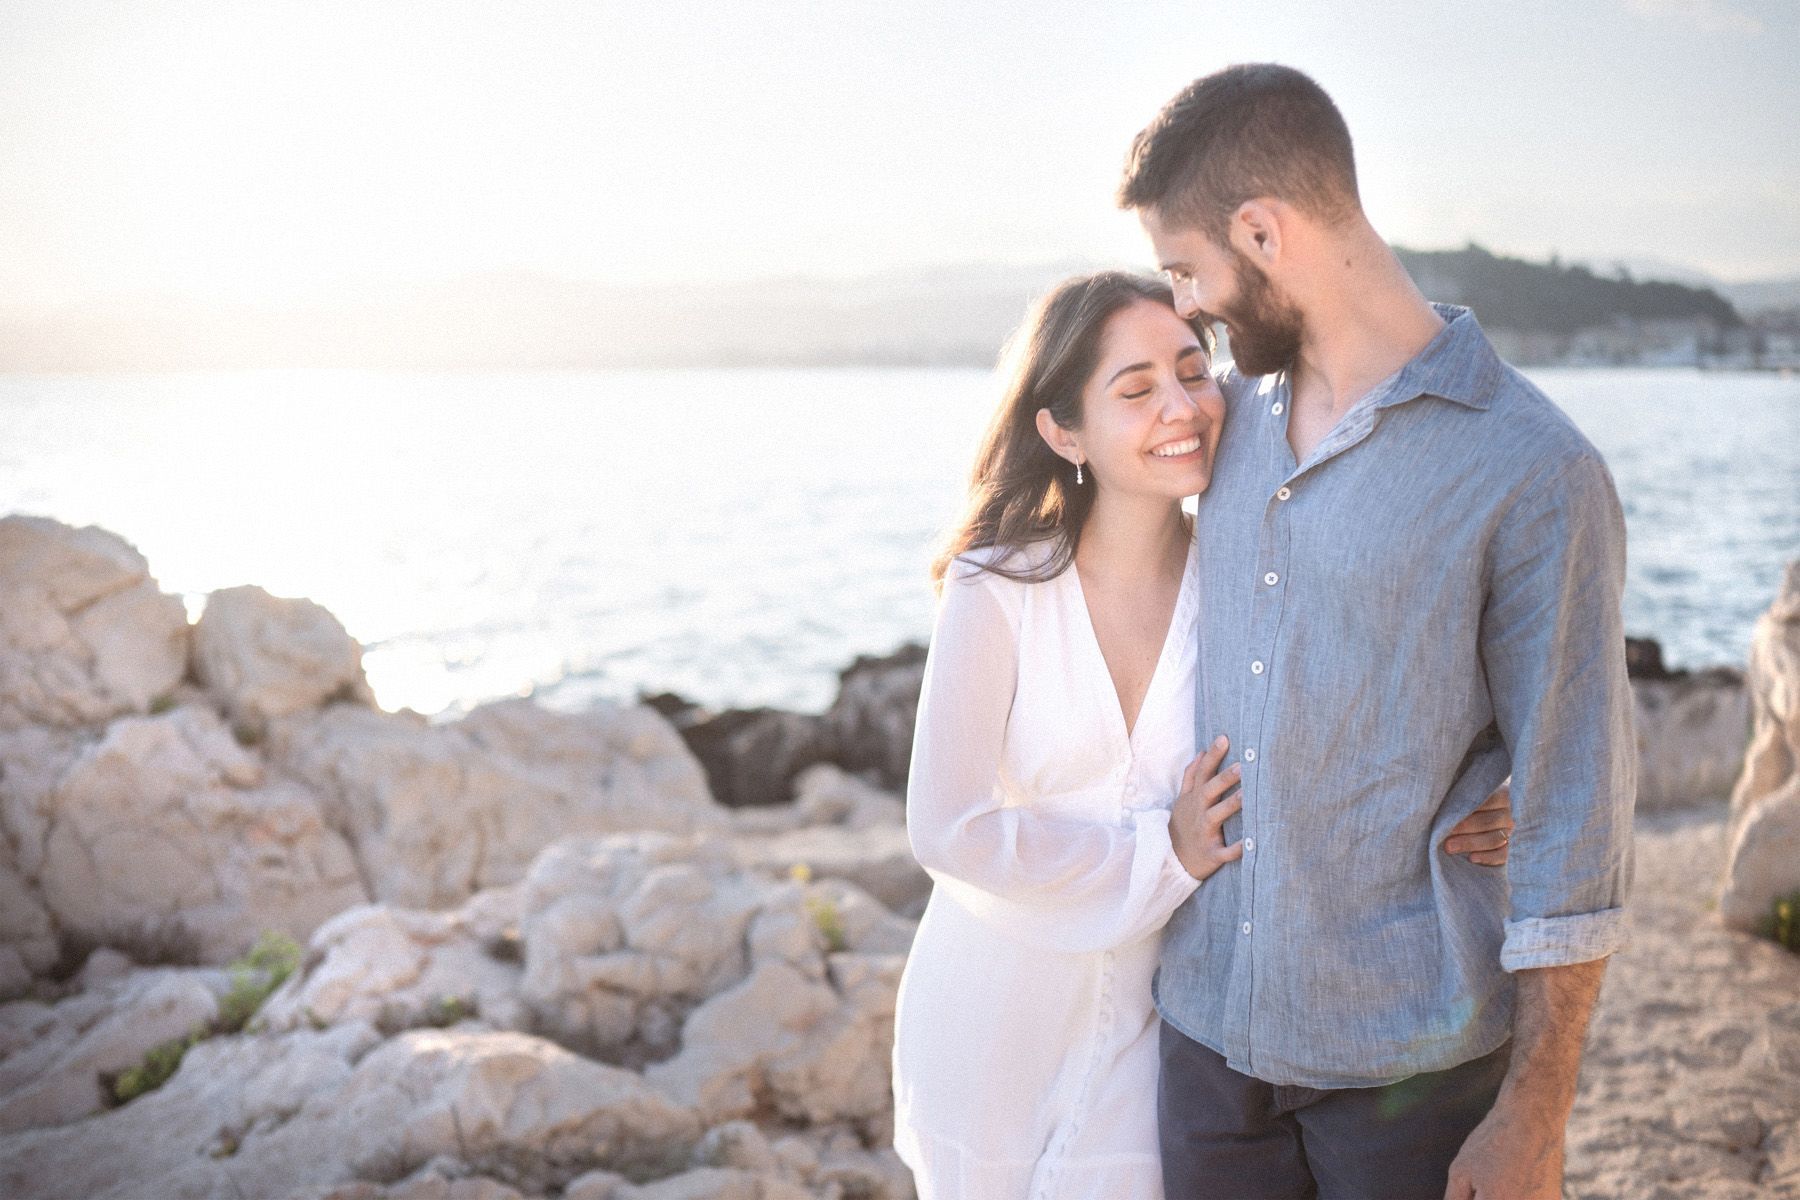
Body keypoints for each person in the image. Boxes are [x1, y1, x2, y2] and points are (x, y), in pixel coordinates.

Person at [1117, 64, 1636, 1199]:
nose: (1189, 304)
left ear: (1263, 231)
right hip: (1205, 1046)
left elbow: (1575, 819)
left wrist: (1536, 1120)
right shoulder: (1222, 425)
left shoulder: (1536, 471)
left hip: (1409, 1077)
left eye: (1187, 271)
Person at [888, 270, 1516, 1200]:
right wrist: (1162, 852)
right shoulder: (1000, 586)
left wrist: (1473, 798)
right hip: (993, 1018)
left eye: (1194, 369)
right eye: (1135, 389)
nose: (1182, 406)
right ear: (1064, 433)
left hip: (1157, 1028)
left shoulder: (1245, 580)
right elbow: (946, 829)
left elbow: (1365, 701)